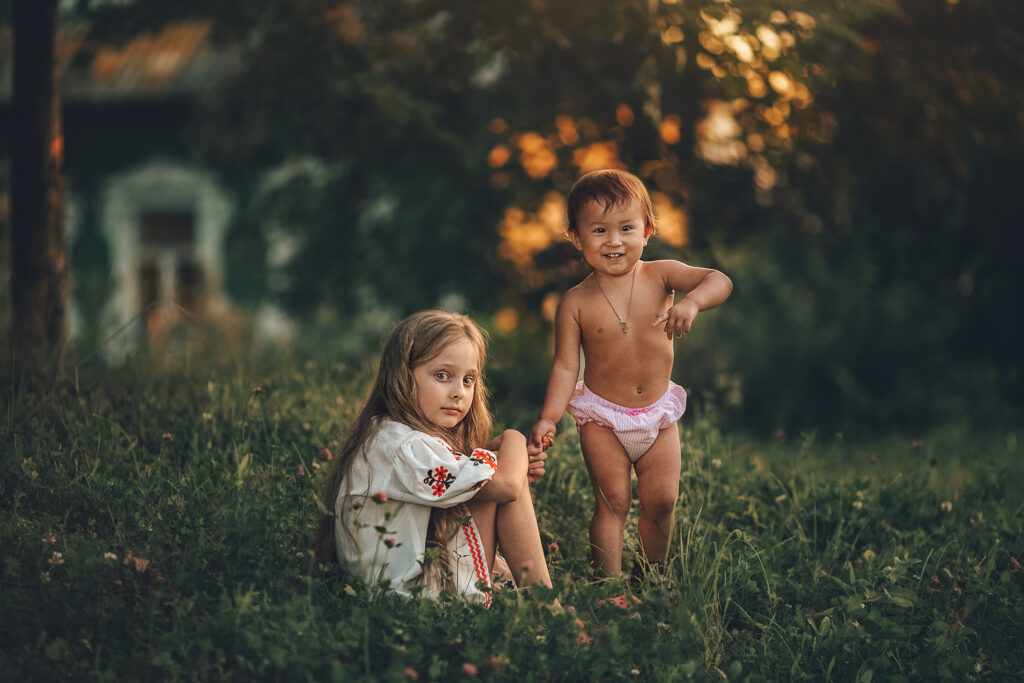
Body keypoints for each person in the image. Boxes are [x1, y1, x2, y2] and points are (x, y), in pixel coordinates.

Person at [528, 169, 733, 578]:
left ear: (647, 230)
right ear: (576, 237)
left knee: (661, 501)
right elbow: (567, 365)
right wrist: (549, 418)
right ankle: (609, 587)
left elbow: (718, 279)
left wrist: (692, 304)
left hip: (658, 416)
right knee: (613, 501)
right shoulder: (575, 302)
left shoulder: (662, 275)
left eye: (626, 227)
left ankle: (651, 576)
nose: (614, 240)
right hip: (603, 419)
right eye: (599, 230)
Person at [313, 310, 553, 606]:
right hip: (409, 600)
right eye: (442, 376)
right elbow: (506, 487)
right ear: (402, 375)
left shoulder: (386, 433)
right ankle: (548, 611)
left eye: (468, 380)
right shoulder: (406, 447)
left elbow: (486, 475)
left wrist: (507, 462)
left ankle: (542, 606)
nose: (458, 393)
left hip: (389, 592)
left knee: (487, 474)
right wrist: (513, 438)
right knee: (494, 484)